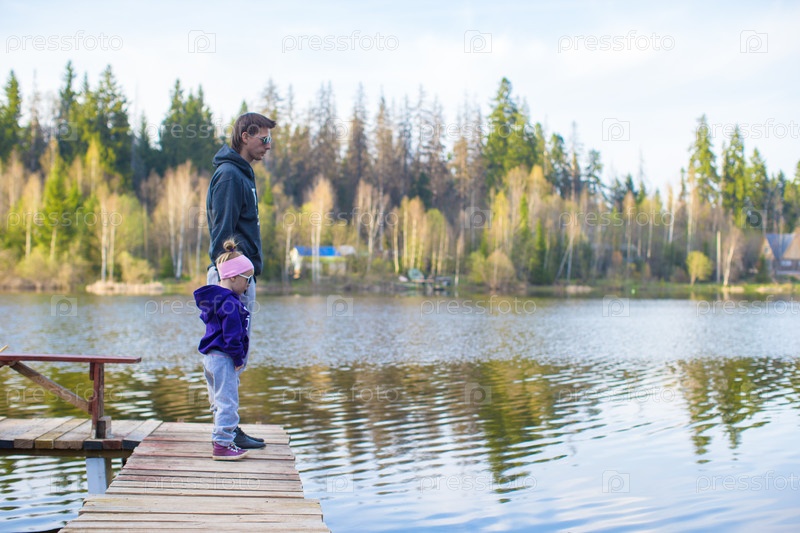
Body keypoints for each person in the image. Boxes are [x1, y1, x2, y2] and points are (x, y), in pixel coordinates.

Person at [205, 112, 275, 449]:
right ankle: (226, 432)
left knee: (232, 357)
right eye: (264, 139)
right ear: (245, 136)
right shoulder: (231, 176)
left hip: (239, 279)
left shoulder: (242, 174)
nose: (268, 146)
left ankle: (227, 428)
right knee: (228, 357)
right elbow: (222, 236)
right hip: (232, 281)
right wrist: (231, 284)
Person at [194, 239, 265, 460]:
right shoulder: (231, 304)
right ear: (233, 277)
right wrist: (238, 359)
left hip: (210, 358)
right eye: (247, 280)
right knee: (228, 403)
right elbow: (232, 337)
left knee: (218, 401)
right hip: (224, 359)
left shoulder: (215, 299)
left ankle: (220, 438)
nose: (248, 286)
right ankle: (223, 445)